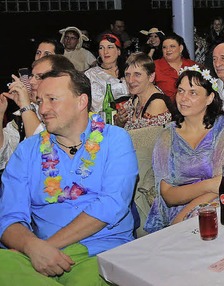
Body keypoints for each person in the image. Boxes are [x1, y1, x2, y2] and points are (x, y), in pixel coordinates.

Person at [0, 68, 138, 284]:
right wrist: (31, 246)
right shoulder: (27, 151)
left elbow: (112, 204)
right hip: (36, 256)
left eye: (52, 99)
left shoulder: (115, 140)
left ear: (81, 101)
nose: (43, 109)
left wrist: (45, 249)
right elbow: (9, 218)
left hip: (99, 251)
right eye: (39, 101)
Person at [144, 66, 224, 232]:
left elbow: (223, 187)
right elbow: (167, 195)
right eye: (181, 91)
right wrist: (209, 185)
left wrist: (185, 216)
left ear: (210, 98)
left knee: (212, 214)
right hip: (179, 207)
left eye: (193, 92)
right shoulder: (167, 136)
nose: (183, 98)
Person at [0, 55, 74, 170]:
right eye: (32, 76)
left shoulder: (69, 111)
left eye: (39, 77)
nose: (31, 81)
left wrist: (25, 106)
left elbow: (45, 153)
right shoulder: (24, 114)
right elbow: (3, 155)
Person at [117, 52, 175, 130]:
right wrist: (120, 122)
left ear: (151, 76)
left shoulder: (157, 103)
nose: (130, 80)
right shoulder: (136, 97)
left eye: (137, 75)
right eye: (127, 75)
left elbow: (147, 140)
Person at [84, 34, 128, 113]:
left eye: (110, 47)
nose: (105, 52)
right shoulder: (91, 75)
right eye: (101, 48)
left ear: (118, 51)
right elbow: (96, 106)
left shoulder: (129, 71)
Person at [154, 34, 198, 101]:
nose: (168, 50)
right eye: (164, 47)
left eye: (172, 46)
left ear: (181, 48)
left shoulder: (193, 65)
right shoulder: (154, 66)